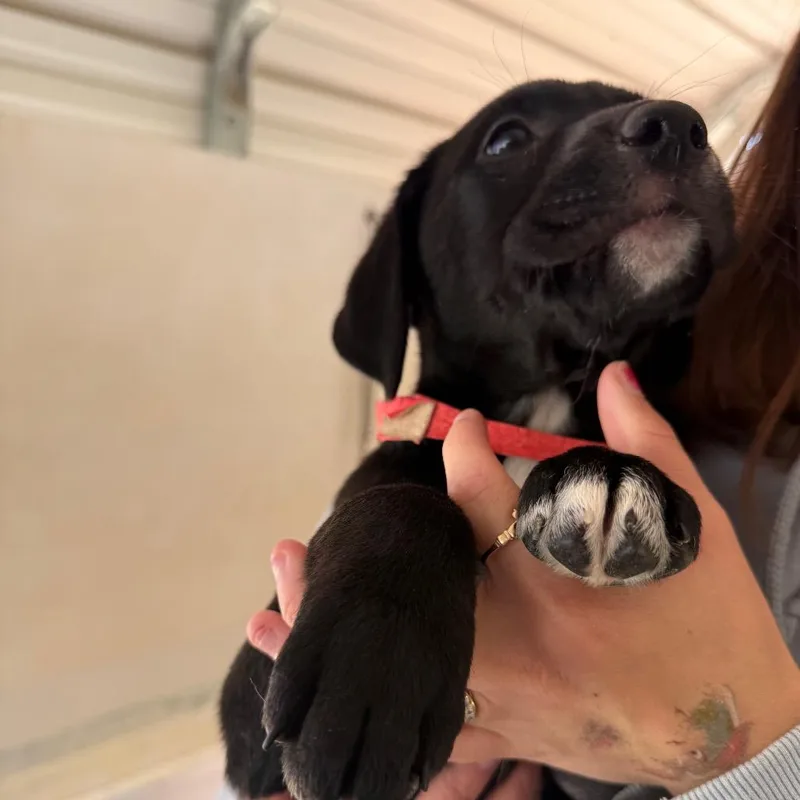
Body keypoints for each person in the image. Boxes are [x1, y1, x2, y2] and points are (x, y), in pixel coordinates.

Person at [240, 30, 800, 800]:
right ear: (409, 265)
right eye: (509, 140)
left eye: (662, 123)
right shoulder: (399, 496)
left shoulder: (687, 456)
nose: (664, 126)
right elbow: (255, 757)